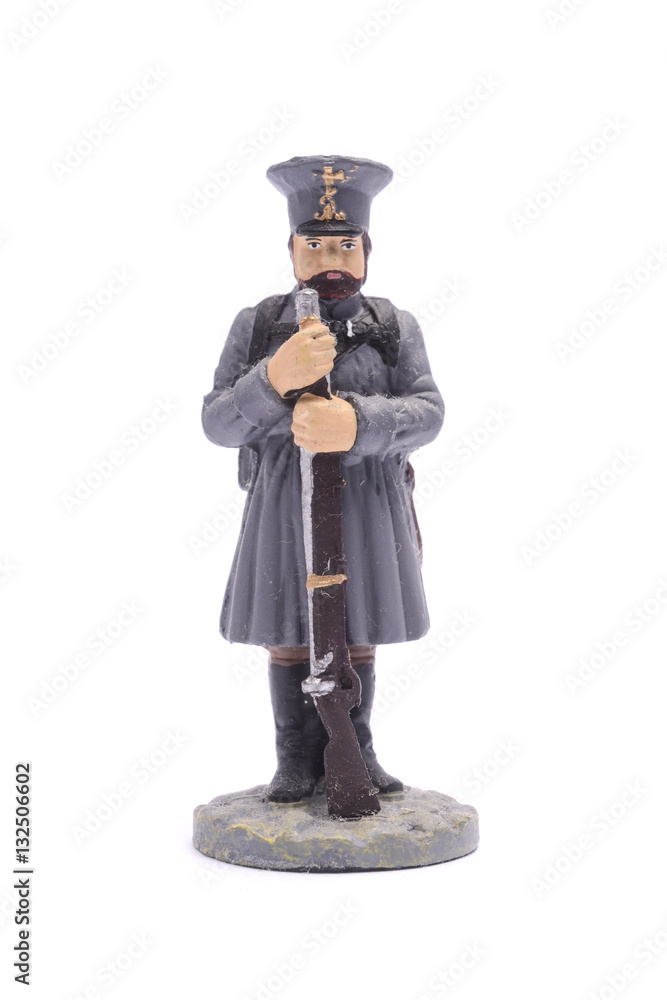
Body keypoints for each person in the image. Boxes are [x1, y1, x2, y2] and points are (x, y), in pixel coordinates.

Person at [202, 155, 444, 802]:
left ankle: (355, 750)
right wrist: (270, 380)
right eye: (314, 246)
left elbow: (428, 412)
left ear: (366, 250)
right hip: (284, 500)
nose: (329, 258)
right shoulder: (259, 325)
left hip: (367, 501)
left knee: (357, 627)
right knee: (288, 628)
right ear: (291, 249)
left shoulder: (393, 326)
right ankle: (294, 760)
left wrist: (359, 422)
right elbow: (218, 423)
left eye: (344, 245)